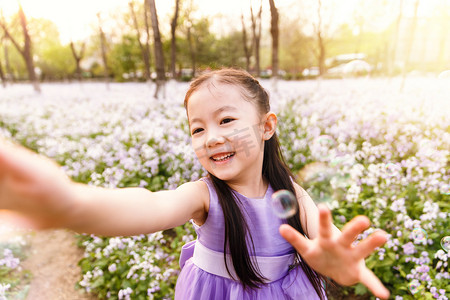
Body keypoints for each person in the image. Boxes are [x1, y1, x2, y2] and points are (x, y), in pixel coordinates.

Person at [0, 68, 390, 299]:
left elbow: (331, 242)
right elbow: (150, 206)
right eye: (197, 128)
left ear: (267, 126)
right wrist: (70, 205)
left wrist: (336, 264)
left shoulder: (290, 191)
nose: (211, 138)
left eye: (226, 121)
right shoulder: (203, 196)